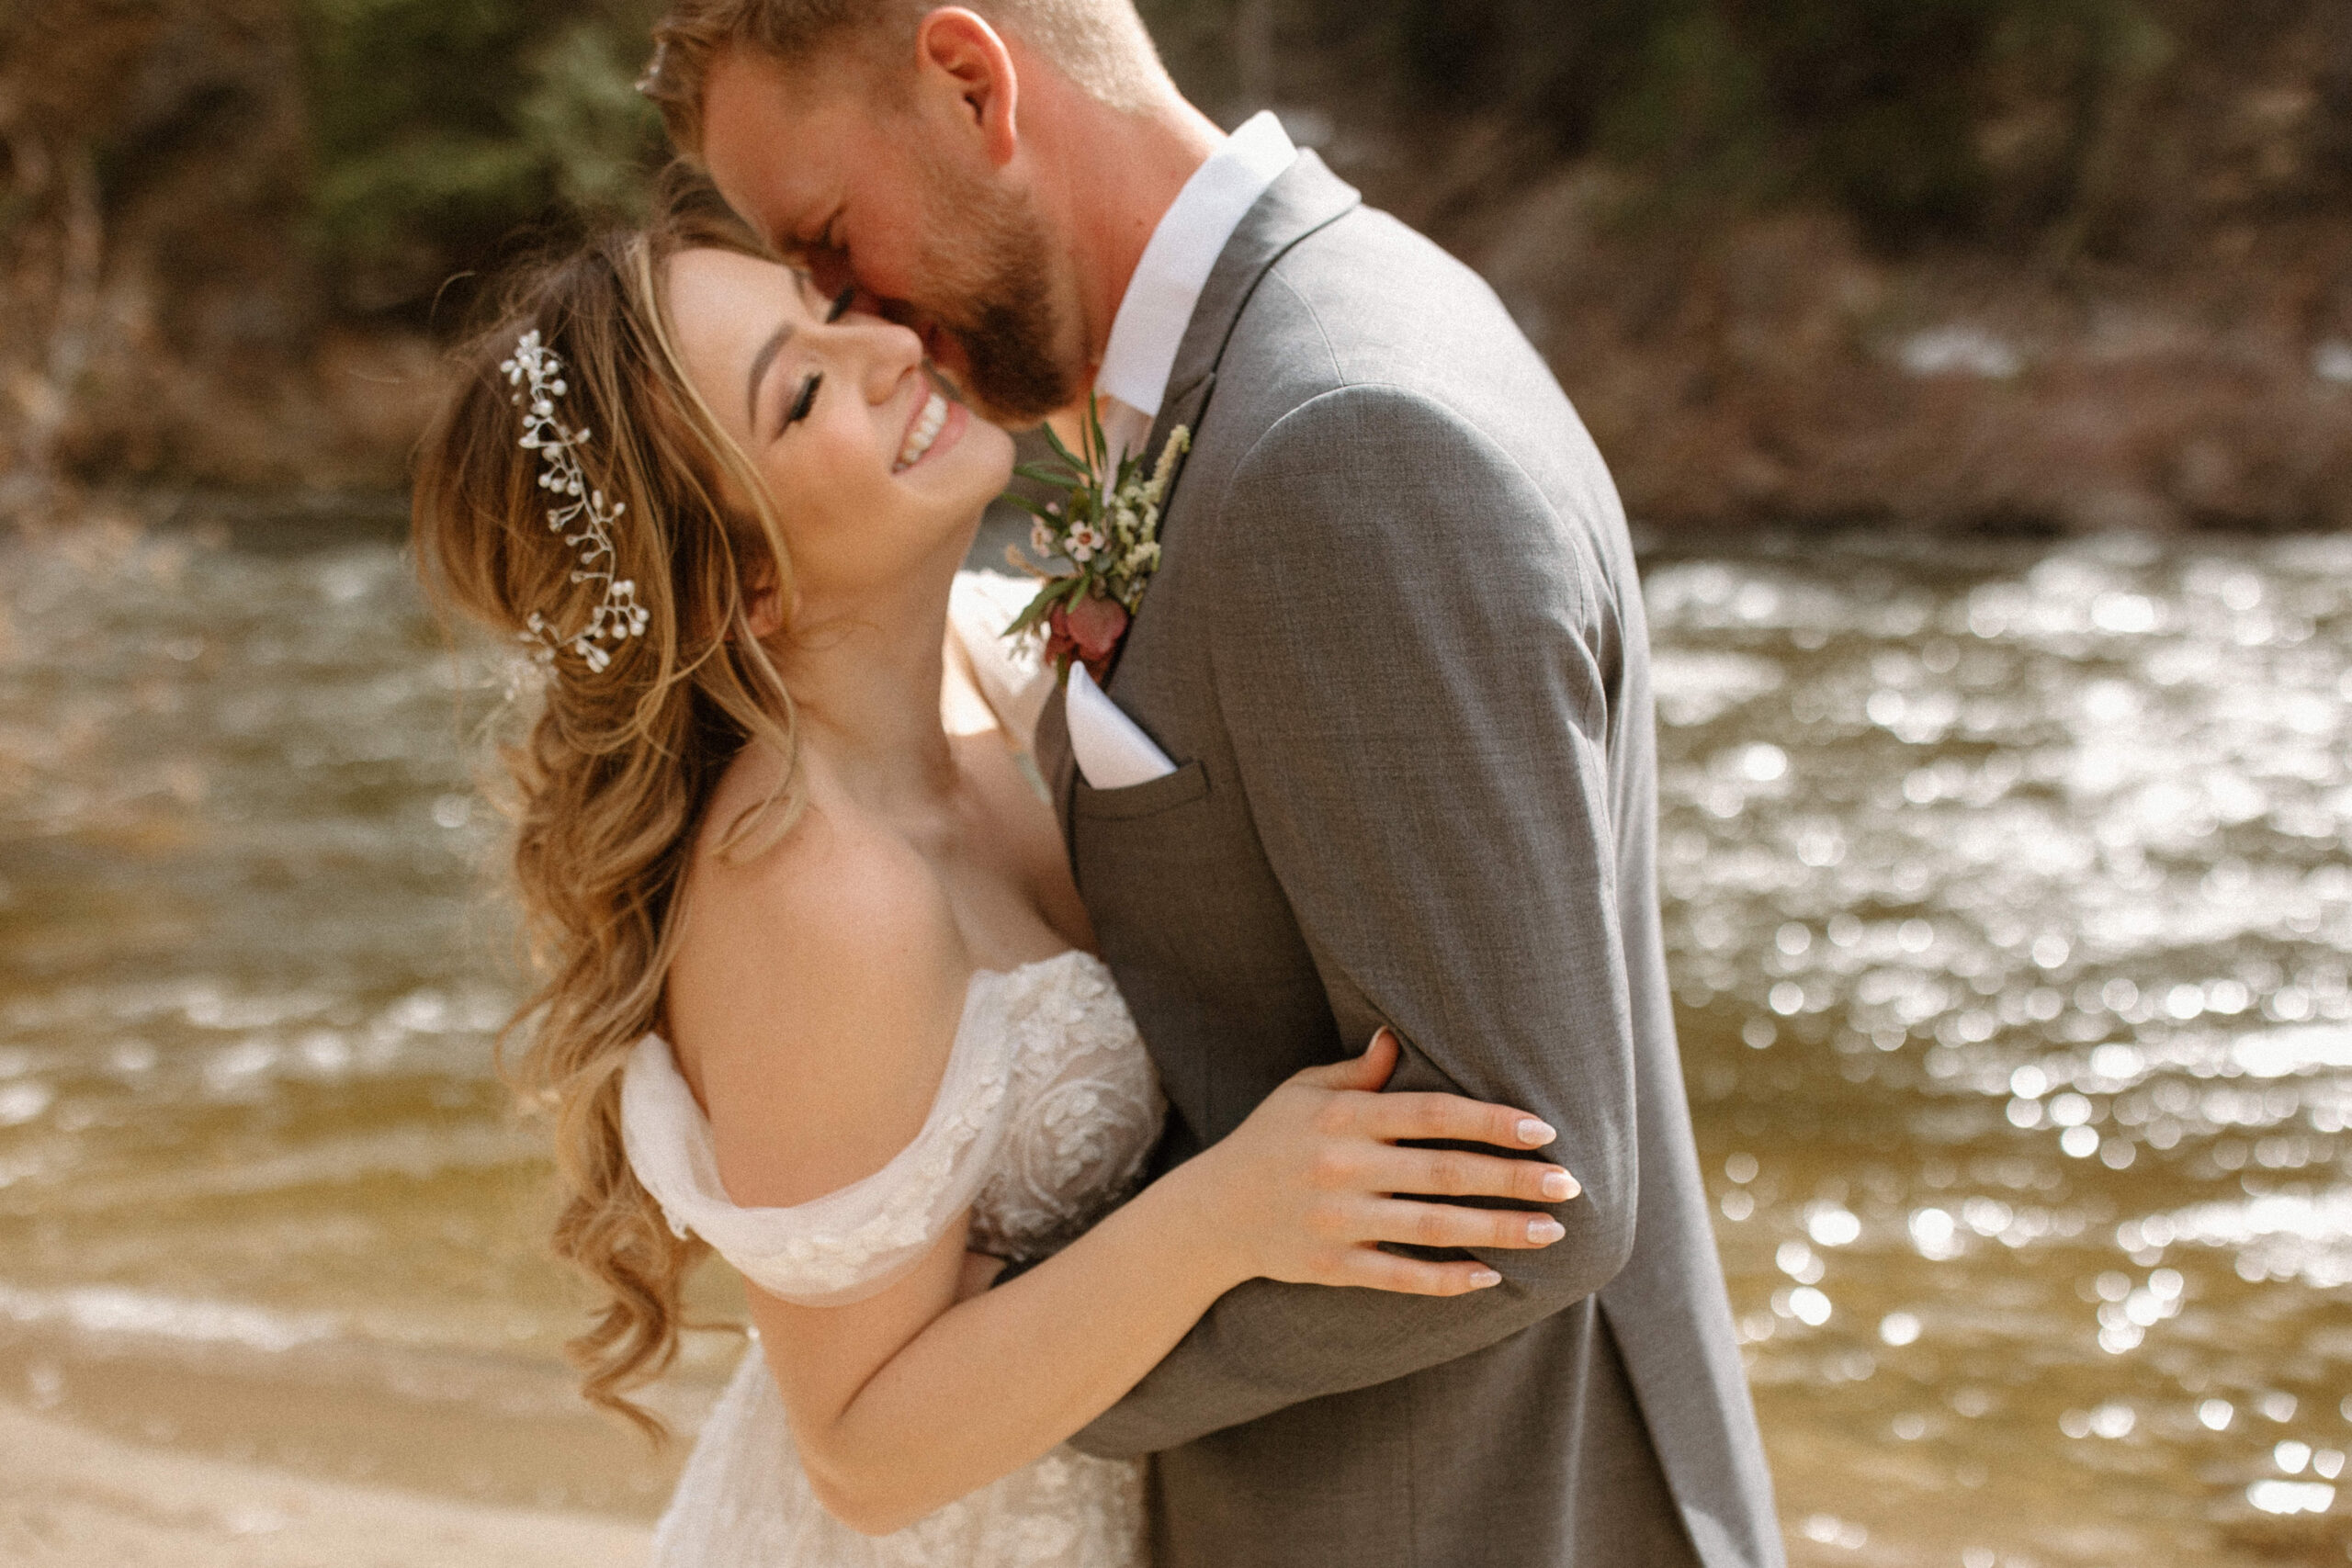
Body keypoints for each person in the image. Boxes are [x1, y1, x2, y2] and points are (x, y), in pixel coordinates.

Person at [638, 3, 1783, 1566]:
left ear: (974, 86)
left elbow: (1530, 1190)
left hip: (1475, 1514)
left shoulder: (1337, 432)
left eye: (833, 239)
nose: (869, 320)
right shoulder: (1274, 357)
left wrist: (1003, 1392)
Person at [412, 197, 1586, 1568]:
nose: (888, 352)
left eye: (832, 308)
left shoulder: (984, 659)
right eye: (802, 393)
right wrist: (1234, 1212)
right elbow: (860, 1450)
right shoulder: (813, 890)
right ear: (742, 588)